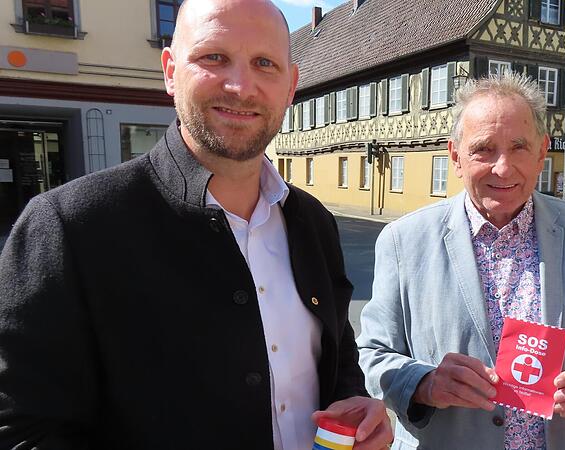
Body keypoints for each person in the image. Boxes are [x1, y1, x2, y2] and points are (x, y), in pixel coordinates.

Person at [0, 0, 391, 449]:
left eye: (265, 63)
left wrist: (355, 403)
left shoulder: (314, 222)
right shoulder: (70, 226)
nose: (241, 87)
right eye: (213, 57)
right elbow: (23, 431)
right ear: (170, 71)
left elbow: (338, 355)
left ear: (290, 86)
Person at [356, 73, 565, 449]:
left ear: (542, 152)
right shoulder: (403, 241)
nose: (504, 168)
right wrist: (424, 384)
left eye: (519, 147)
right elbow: (372, 355)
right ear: (456, 156)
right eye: (484, 149)